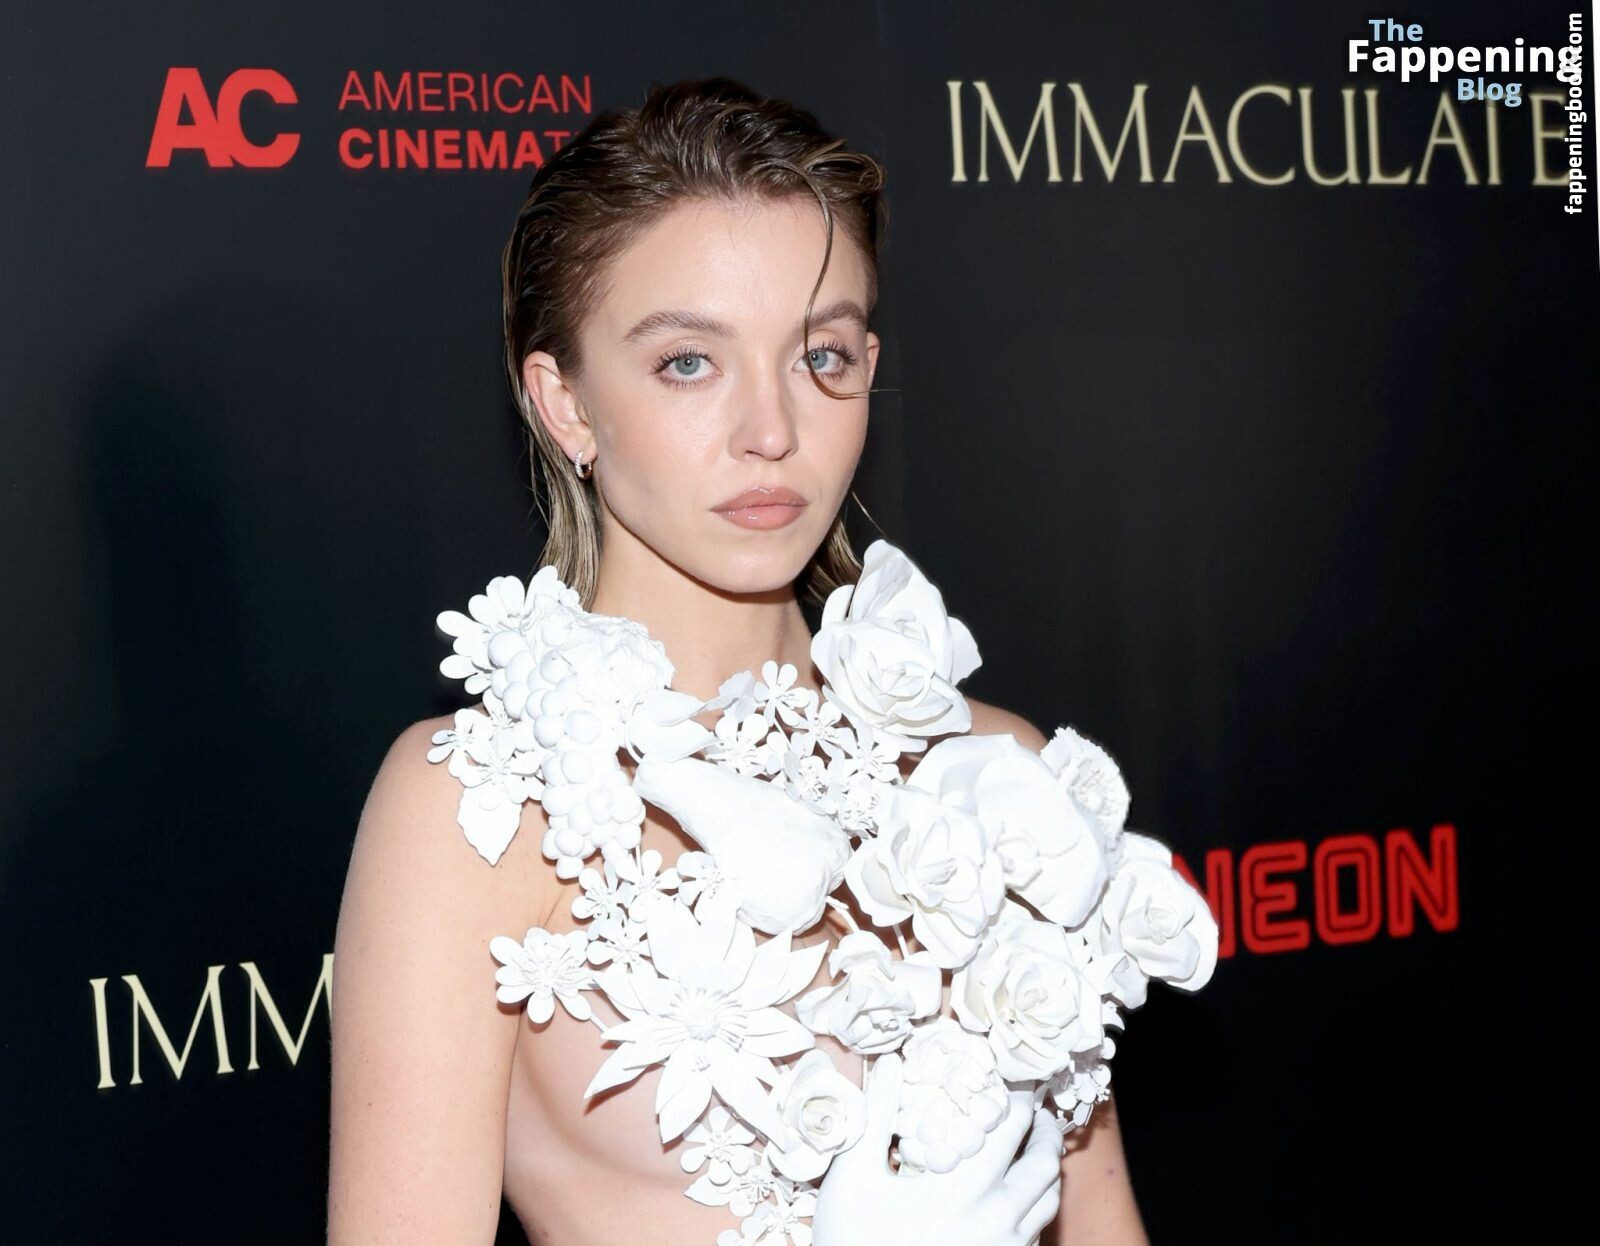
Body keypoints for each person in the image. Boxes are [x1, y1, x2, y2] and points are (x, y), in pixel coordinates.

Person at [327, 76, 1150, 1245]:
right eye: (688, 363)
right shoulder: (482, 809)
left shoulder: (996, 773)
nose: (772, 430)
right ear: (565, 404)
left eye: (822, 356)